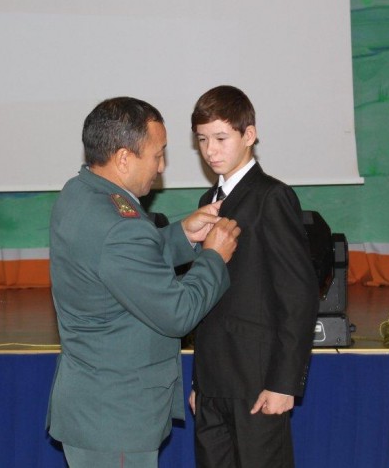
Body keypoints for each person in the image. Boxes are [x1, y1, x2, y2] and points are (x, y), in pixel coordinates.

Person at [46, 96, 241, 468]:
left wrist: (182, 234)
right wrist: (214, 257)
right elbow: (178, 313)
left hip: (94, 407)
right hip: (116, 421)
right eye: (158, 155)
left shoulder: (80, 192)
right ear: (123, 158)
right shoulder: (119, 226)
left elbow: (118, 265)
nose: (162, 166)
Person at [188, 85, 319, 468]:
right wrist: (199, 381)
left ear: (249, 135)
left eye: (220, 138)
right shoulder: (207, 202)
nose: (210, 150)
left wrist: (283, 382)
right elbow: (207, 298)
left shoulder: (271, 197)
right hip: (213, 381)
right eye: (202, 140)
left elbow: (297, 295)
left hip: (256, 379)